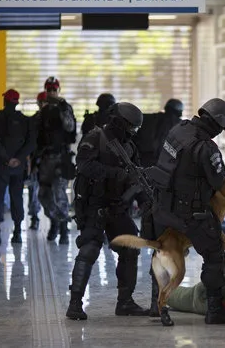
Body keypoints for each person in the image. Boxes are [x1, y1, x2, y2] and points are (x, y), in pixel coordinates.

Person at [147, 98, 225, 325]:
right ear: (217, 125)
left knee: (162, 253)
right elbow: (217, 180)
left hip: (162, 207)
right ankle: (215, 310)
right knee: (214, 256)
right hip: (190, 213)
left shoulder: (179, 129)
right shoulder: (206, 147)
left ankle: (154, 304)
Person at [66, 102, 150, 321]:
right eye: (130, 127)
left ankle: (125, 302)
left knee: (131, 248)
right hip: (94, 205)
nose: (132, 132)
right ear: (120, 122)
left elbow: (137, 178)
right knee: (89, 250)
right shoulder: (96, 138)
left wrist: (145, 200)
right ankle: (75, 304)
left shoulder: (129, 147)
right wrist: (116, 174)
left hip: (117, 206)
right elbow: (83, 166)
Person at [0, 89, 35, 244]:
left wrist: (6, 158)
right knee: (17, 198)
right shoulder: (25, 121)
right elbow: (31, 143)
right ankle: (17, 233)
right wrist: (18, 159)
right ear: (17, 102)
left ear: (4, 101)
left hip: (0, 165)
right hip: (18, 168)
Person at [37, 77, 77, 244]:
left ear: (58, 90)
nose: (52, 92)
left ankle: (63, 229)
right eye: (49, 89)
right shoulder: (43, 112)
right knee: (44, 196)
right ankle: (55, 221)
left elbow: (70, 128)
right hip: (45, 160)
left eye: (54, 89)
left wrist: (63, 108)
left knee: (59, 194)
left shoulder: (65, 108)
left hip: (61, 159)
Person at [134, 98, 184, 167]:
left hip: (143, 161)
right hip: (167, 165)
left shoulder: (147, 118)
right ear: (179, 111)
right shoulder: (181, 125)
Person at [27, 91, 47, 230]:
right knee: (33, 190)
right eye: (42, 102)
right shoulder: (33, 121)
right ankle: (34, 217)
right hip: (36, 160)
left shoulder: (56, 119)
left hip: (52, 160)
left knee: (54, 193)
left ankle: (57, 223)